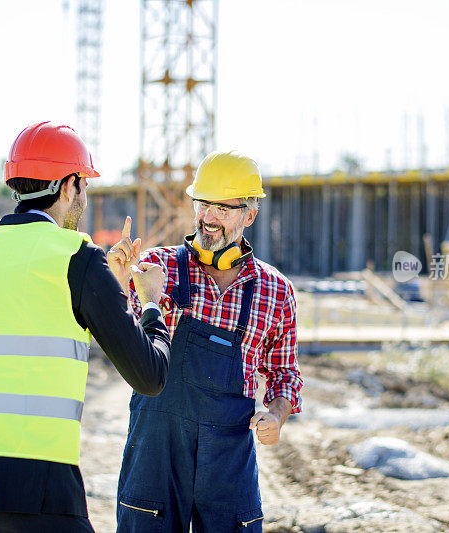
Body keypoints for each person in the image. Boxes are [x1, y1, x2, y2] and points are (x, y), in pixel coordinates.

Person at [0, 121, 171, 533]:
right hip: (37, 488)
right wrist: (150, 302)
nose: (85, 198)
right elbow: (150, 376)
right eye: (85, 186)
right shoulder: (76, 257)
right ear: (69, 185)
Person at [107, 150, 303, 532]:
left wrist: (277, 416)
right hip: (155, 458)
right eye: (202, 204)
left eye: (223, 209)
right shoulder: (155, 269)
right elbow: (120, 340)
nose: (208, 219)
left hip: (229, 462)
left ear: (250, 214)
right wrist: (117, 281)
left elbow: (284, 373)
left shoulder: (275, 291)